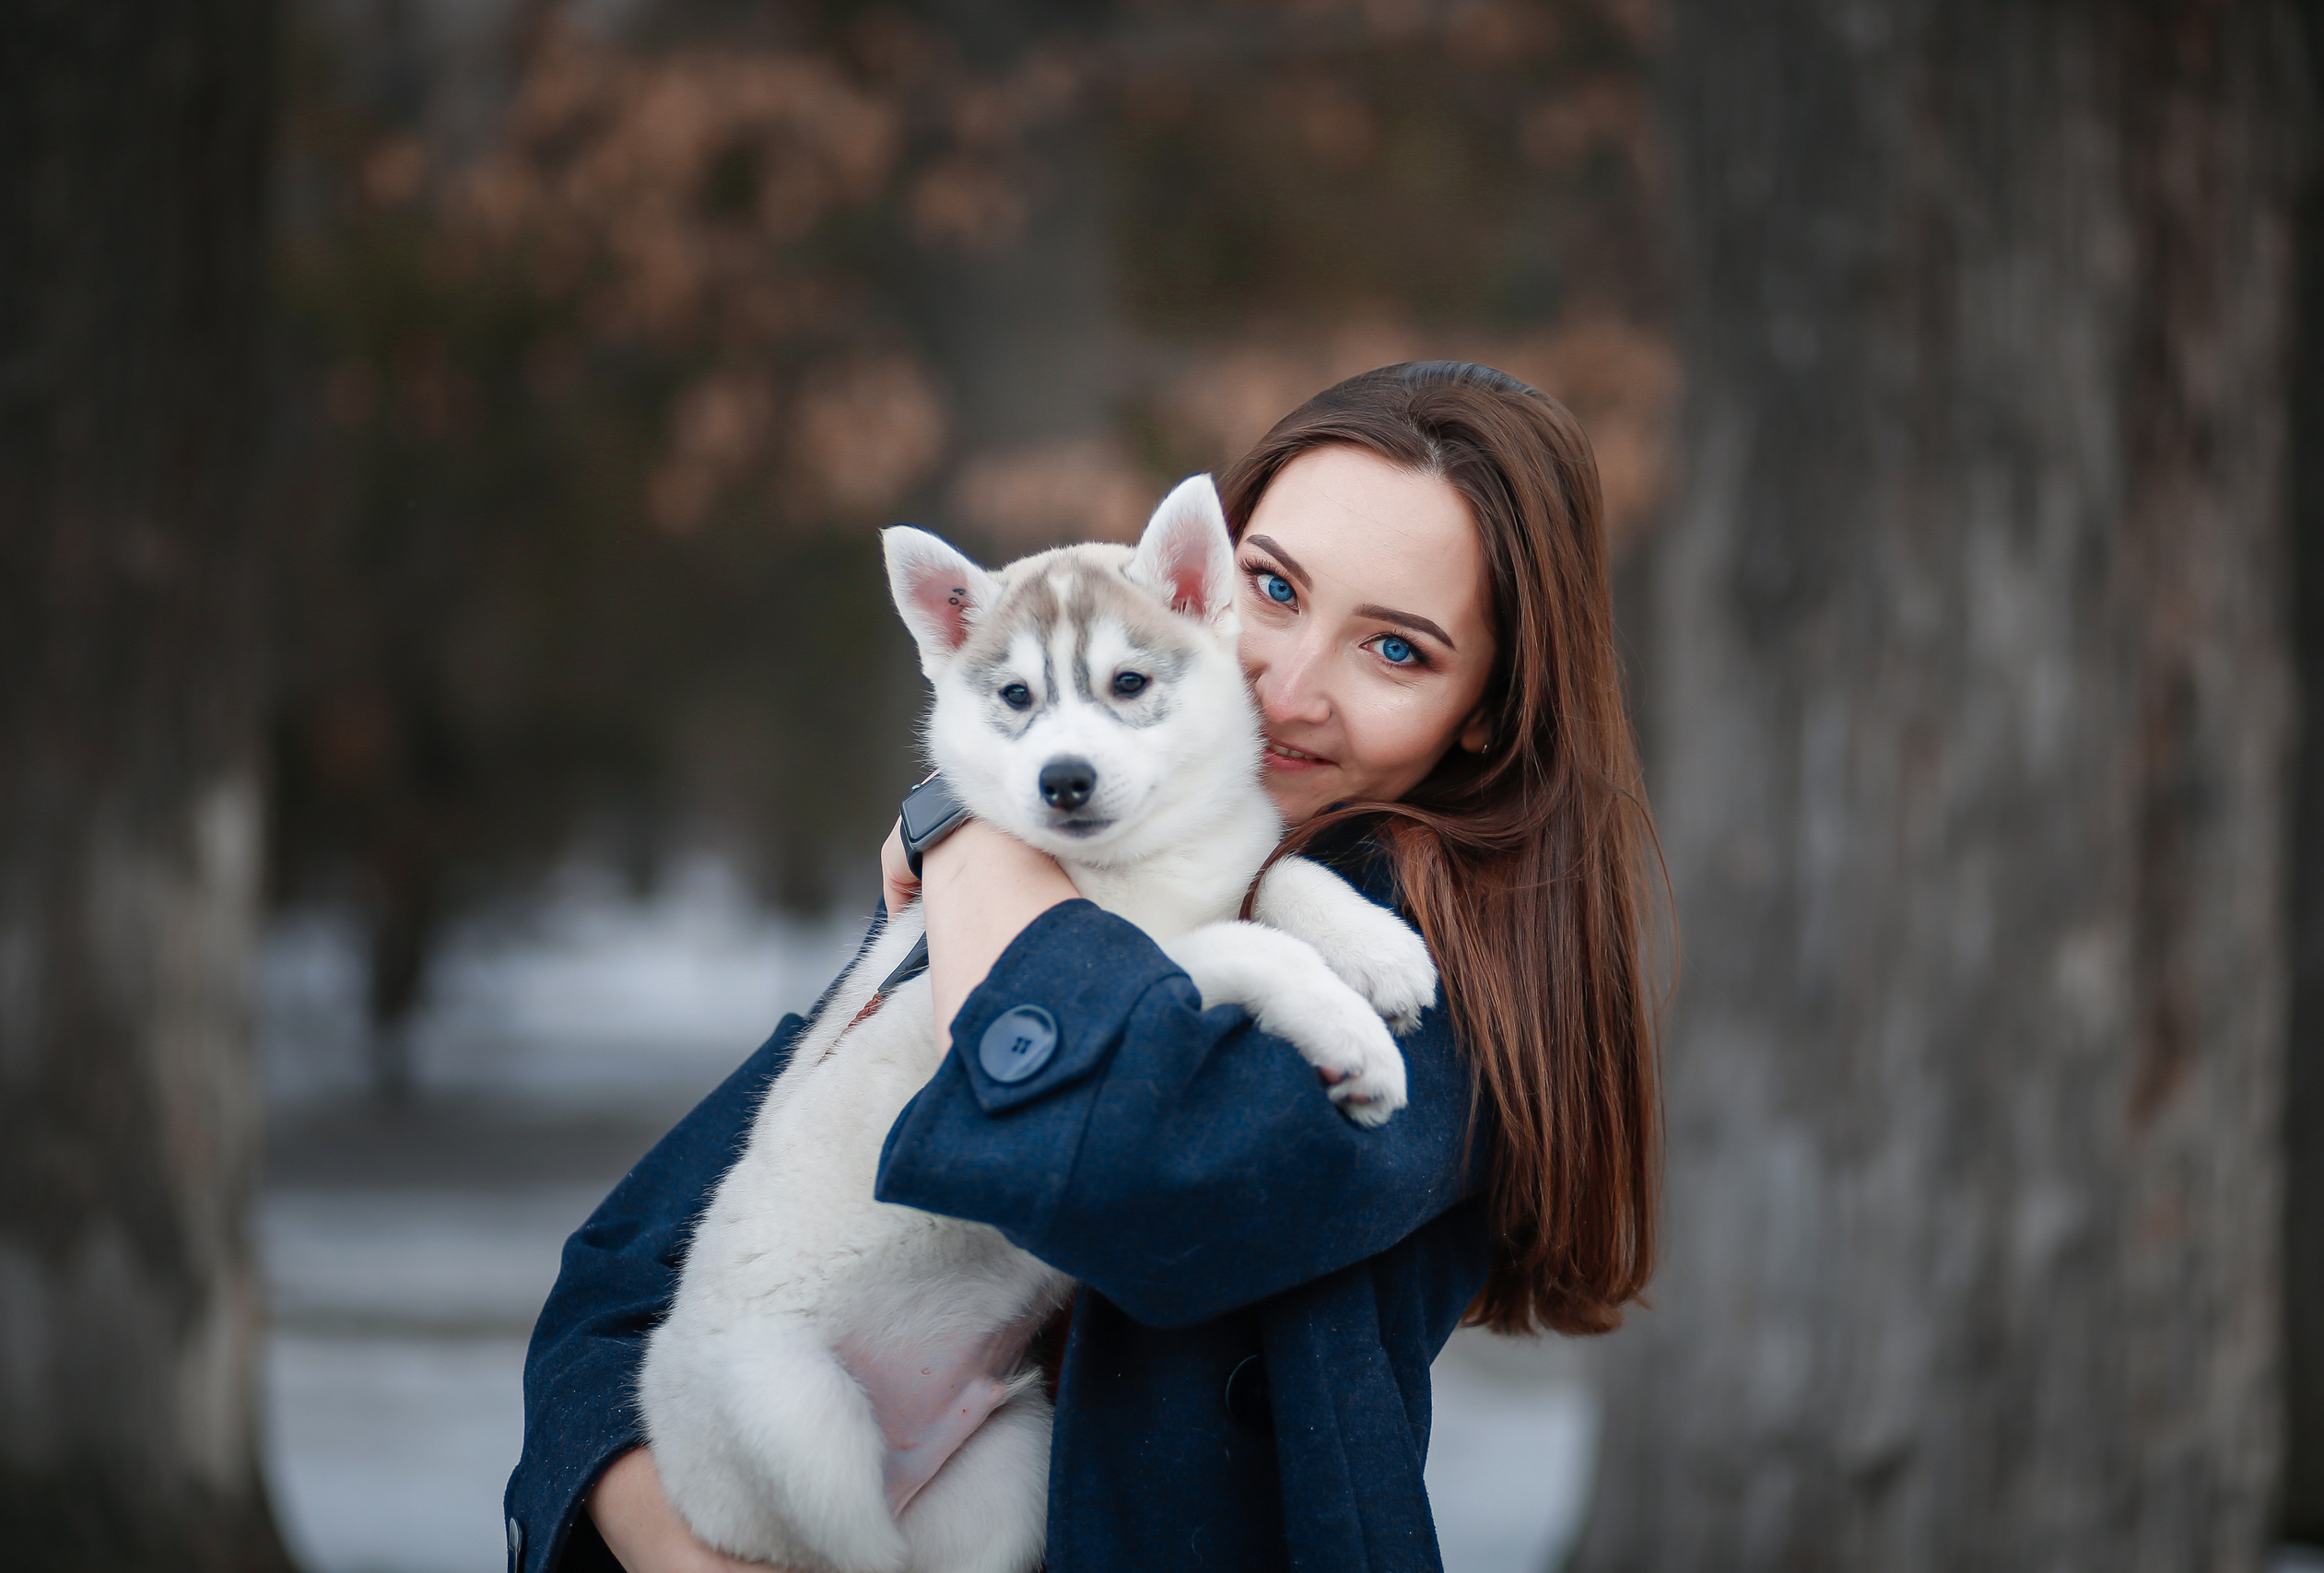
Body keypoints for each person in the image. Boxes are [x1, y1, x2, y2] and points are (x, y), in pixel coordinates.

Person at [504, 361, 1663, 1573]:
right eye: (1270, 588)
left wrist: (962, 833)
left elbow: (1129, 1167)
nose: (1285, 684)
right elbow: (618, 1284)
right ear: (1198, 579)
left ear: (1486, 709)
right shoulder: (1061, 860)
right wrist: (673, 1543)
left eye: (1395, 650)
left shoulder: (1431, 982)